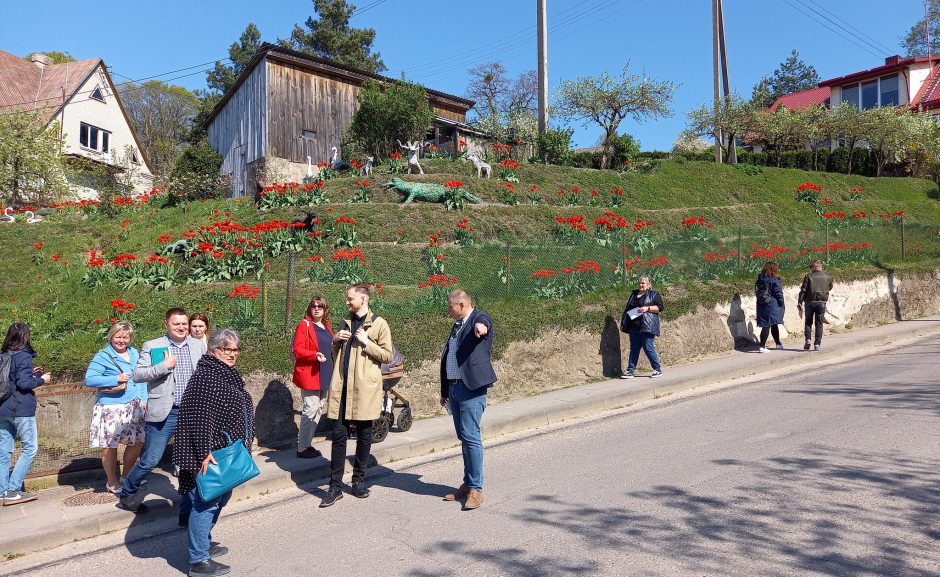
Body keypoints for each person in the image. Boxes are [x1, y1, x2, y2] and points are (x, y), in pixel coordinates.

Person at [173, 328, 253, 577]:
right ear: (213, 350)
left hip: (225, 451)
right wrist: (203, 452)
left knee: (221, 496)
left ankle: (202, 543)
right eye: (226, 349)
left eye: (235, 349)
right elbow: (200, 419)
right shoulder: (208, 377)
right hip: (210, 453)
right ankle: (198, 560)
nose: (231, 354)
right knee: (206, 502)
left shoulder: (223, 373)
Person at [118, 308, 206, 513]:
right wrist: (163, 366)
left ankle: (188, 505)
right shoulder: (153, 345)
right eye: (177, 324)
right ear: (166, 324)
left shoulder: (197, 345)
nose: (182, 327)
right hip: (165, 412)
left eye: (184, 324)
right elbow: (138, 375)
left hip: (191, 412)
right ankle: (127, 492)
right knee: (150, 459)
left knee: (190, 459)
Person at [319, 284, 393, 507]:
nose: (347, 302)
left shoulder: (379, 323)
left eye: (350, 298)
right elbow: (338, 355)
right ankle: (335, 486)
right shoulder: (345, 322)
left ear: (363, 298)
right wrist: (335, 341)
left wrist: (367, 343)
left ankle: (359, 481)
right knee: (338, 436)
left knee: (364, 434)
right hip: (342, 387)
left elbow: (388, 356)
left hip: (364, 388)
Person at [439, 289, 497, 511]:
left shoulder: (477, 318)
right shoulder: (457, 325)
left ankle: (476, 489)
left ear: (461, 305)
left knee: (471, 437)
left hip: (471, 389)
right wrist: (445, 391)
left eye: (450, 307)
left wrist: (481, 327)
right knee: (464, 437)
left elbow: (485, 322)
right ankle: (468, 482)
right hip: (454, 389)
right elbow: (449, 358)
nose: (448, 310)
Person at [84, 321, 147, 493]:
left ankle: (127, 476)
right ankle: (112, 482)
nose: (121, 340)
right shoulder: (102, 356)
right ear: (111, 336)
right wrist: (115, 379)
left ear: (130, 338)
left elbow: (140, 377)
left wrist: (144, 399)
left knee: (137, 442)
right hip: (111, 407)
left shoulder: (134, 353)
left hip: (134, 404)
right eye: (118, 336)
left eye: (125, 337)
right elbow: (89, 379)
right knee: (109, 445)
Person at [0, 323, 50, 505]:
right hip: (20, 409)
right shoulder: (24, 356)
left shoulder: (2, 355)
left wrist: (31, 373)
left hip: (2, 409)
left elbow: (12, 378)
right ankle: (13, 489)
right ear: (25, 337)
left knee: (4, 451)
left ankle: (2, 491)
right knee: (30, 448)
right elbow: (23, 384)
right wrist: (42, 380)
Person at [292, 296, 333, 459]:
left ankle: (307, 445)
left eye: (320, 306)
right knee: (310, 409)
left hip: (325, 372)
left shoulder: (327, 326)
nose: (316, 309)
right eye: (314, 306)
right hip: (311, 373)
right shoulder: (305, 325)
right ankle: (302, 448)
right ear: (309, 308)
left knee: (318, 409)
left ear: (325, 310)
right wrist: (314, 354)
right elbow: (297, 350)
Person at [619, 276, 665, 378]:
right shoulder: (634, 294)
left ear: (648, 285)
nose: (641, 285)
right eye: (640, 283)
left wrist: (647, 308)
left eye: (643, 283)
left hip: (647, 325)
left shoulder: (654, 295)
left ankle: (657, 369)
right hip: (634, 327)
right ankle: (630, 370)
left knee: (648, 347)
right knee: (634, 349)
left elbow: (660, 307)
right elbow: (628, 308)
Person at [798, 260, 834, 351]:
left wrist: (800, 301)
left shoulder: (808, 277)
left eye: (811, 267)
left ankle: (808, 339)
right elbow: (829, 287)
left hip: (809, 302)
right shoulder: (828, 277)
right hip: (822, 302)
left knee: (808, 322)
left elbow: (803, 290)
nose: (810, 269)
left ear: (814, 267)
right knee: (819, 324)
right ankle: (817, 344)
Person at [754, 262, 786, 353]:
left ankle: (778, 343)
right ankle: (762, 346)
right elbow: (778, 293)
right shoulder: (774, 280)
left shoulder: (759, 280)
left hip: (761, 304)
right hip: (772, 304)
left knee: (772, 323)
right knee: (768, 324)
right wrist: (782, 303)